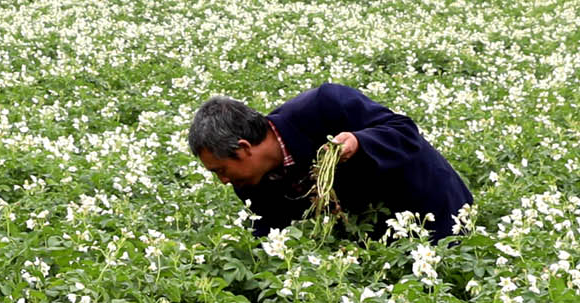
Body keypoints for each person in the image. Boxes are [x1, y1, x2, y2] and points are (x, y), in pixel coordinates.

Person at [189, 86, 475, 238]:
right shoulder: (250, 184)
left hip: (432, 208)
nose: (223, 180)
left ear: (243, 148)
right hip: (374, 235)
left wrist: (359, 141)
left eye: (221, 170)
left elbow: (405, 132)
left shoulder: (325, 106)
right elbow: (272, 231)